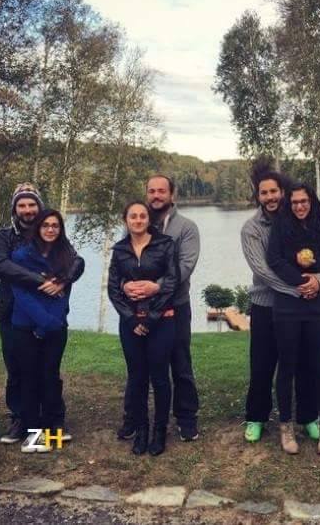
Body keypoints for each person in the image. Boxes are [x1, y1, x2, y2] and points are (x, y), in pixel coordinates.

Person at [0, 183, 84, 444]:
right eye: (22, 205)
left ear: (39, 207)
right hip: (13, 312)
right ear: (15, 209)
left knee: (49, 370)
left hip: (50, 314)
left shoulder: (50, 234)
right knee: (17, 370)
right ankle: (21, 419)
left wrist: (63, 280)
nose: (27, 210)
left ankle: (53, 422)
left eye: (32, 204)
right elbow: (1, 264)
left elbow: (76, 261)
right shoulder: (5, 237)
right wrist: (39, 280)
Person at [240, 166, 320, 444]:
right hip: (266, 305)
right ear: (258, 196)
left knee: (303, 363)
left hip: (299, 306)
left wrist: (319, 281)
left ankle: (308, 417)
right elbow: (263, 270)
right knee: (262, 365)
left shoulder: (301, 222)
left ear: (283, 192)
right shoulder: (252, 229)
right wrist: (297, 288)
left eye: (274, 191)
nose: (270, 197)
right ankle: (256, 417)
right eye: (264, 193)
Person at [118, 175, 201, 443]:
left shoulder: (186, 228)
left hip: (175, 307)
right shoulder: (137, 221)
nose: (156, 195)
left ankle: (186, 419)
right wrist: (124, 285)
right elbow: (122, 262)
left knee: (180, 363)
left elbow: (186, 265)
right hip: (140, 308)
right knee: (137, 368)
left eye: (161, 191)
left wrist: (157, 286)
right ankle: (133, 418)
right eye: (151, 191)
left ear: (172, 195)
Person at [267, 182, 320, 455]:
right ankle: (286, 427)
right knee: (286, 367)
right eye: (295, 202)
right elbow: (274, 261)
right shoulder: (280, 228)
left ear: (311, 203)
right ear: (289, 205)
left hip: (315, 309)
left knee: (319, 367)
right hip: (287, 308)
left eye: (304, 202)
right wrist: (301, 282)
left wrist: (316, 271)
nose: (300, 206)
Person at [10, 209, 84, 453]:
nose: (51, 229)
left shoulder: (66, 257)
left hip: (55, 327)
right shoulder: (21, 256)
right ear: (38, 228)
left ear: (60, 229)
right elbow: (21, 294)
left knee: (51, 377)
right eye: (46, 225)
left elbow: (63, 296)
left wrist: (50, 324)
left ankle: (55, 430)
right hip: (26, 326)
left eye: (55, 225)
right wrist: (43, 323)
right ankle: (35, 436)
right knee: (30, 378)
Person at [108, 200, 178, 456]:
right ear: (125, 220)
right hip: (130, 324)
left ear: (149, 219)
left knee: (160, 378)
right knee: (137, 377)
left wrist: (151, 318)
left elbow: (172, 282)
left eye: (142, 216)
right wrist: (130, 319)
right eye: (133, 216)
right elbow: (113, 288)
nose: (138, 220)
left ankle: (160, 430)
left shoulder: (165, 245)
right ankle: (141, 429)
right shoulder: (119, 250)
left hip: (161, 321)